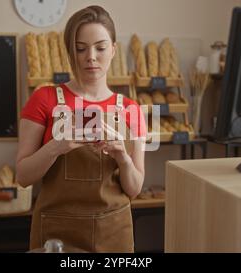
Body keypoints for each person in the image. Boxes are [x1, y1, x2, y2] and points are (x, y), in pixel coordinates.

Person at [16, 5, 146, 253]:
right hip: (57, 237)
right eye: (80, 48)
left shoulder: (131, 109)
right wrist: (55, 147)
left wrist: (123, 158)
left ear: (114, 50)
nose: (91, 57)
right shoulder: (44, 98)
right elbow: (23, 177)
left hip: (113, 234)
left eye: (100, 47)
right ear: (70, 52)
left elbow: (134, 188)